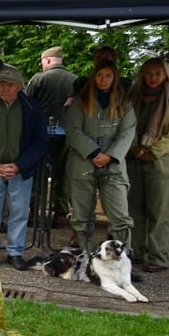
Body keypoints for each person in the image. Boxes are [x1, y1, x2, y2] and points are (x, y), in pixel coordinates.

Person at [0, 64, 49, 270]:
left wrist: (18, 165)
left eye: (10, 85)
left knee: (19, 211)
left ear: (20, 86)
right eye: (1, 84)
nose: (5, 89)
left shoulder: (33, 108)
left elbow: (40, 142)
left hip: (20, 170)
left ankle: (15, 252)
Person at [63, 61, 136, 253]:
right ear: (94, 77)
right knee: (82, 215)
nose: (103, 80)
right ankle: (86, 256)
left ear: (114, 78)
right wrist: (94, 152)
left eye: (108, 76)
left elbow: (127, 132)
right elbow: (72, 129)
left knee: (120, 216)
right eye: (99, 75)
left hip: (113, 163)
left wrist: (109, 156)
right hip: (83, 160)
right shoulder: (81, 101)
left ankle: (124, 259)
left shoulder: (124, 102)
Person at [124, 57, 169, 272]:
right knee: (134, 210)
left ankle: (158, 257)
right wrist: (134, 149)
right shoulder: (132, 96)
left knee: (160, 212)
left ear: (165, 75)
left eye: (157, 74)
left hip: (160, 160)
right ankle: (135, 252)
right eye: (149, 73)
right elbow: (123, 124)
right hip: (132, 158)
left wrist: (153, 151)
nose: (152, 78)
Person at [24, 46, 78, 227]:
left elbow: (27, 105)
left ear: (46, 61)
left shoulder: (39, 79)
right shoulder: (76, 80)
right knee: (62, 174)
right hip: (68, 135)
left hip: (41, 134)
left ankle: (33, 211)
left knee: (38, 173)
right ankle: (60, 213)